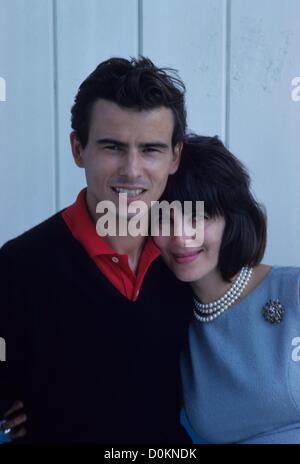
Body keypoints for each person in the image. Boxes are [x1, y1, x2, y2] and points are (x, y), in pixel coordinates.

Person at [0, 57, 193, 443]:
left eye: (151, 149)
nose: (132, 170)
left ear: (175, 157)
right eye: (112, 147)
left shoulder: (189, 258)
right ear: (77, 148)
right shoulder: (19, 267)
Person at [154, 134, 300, 444]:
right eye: (165, 220)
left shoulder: (294, 290)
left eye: (199, 216)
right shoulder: (168, 325)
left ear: (231, 219)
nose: (182, 238)